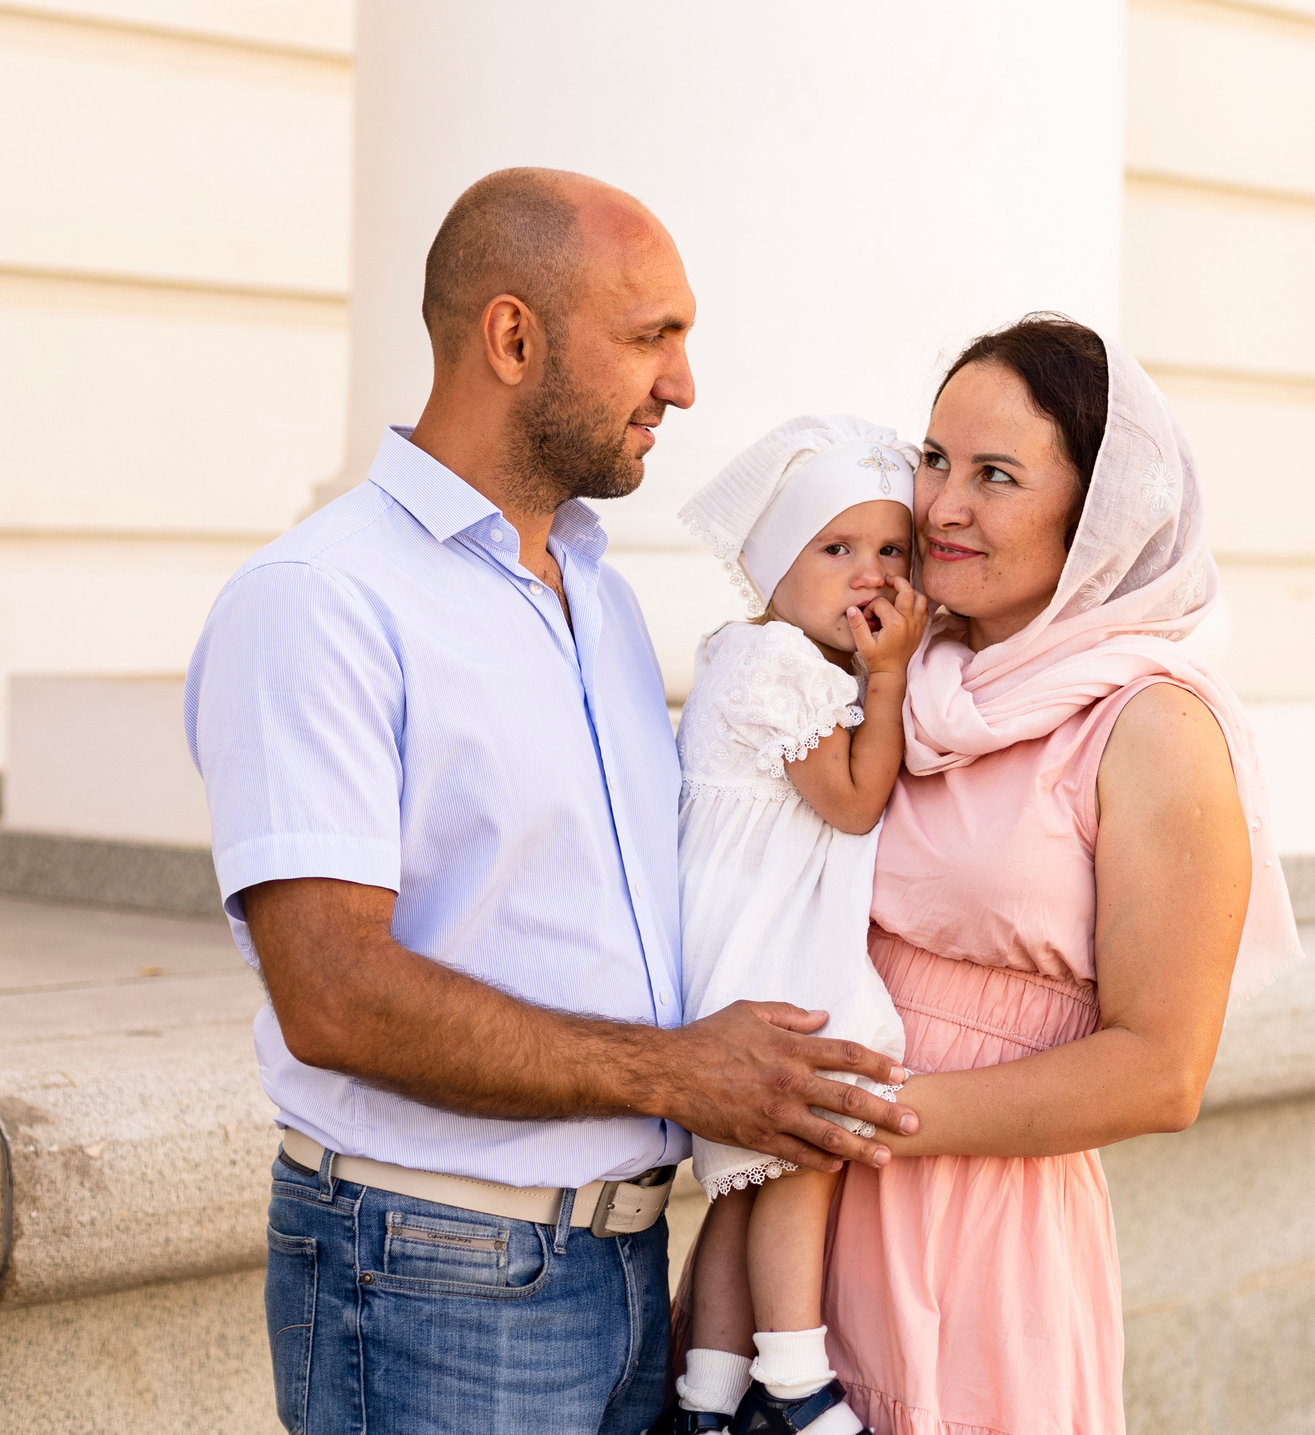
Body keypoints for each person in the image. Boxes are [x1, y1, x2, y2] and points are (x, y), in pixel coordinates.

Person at [184, 168, 915, 1435]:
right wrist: (682, 1070)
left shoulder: (603, 599)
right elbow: (333, 994)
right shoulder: (319, 598)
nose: (682, 385)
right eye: (650, 338)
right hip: (428, 1271)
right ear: (512, 337)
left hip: (627, 1268)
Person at [821, 315, 1301, 1435]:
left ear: (1096, 517)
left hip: (984, 1235)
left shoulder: (1153, 726)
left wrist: (878, 1116)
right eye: (934, 459)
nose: (942, 506)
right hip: (808, 1209)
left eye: (996, 475)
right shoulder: (896, 676)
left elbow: (1160, 1072)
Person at [664, 416, 934, 1434]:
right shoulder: (777, 665)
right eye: (836, 550)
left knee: (748, 1181)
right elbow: (855, 801)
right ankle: (792, 1372)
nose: (867, 575)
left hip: (752, 929)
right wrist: (892, 675)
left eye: (890, 553)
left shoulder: (767, 657)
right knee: (811, 1125)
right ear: (775, 565)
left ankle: (707, 1394)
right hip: (758, 943)